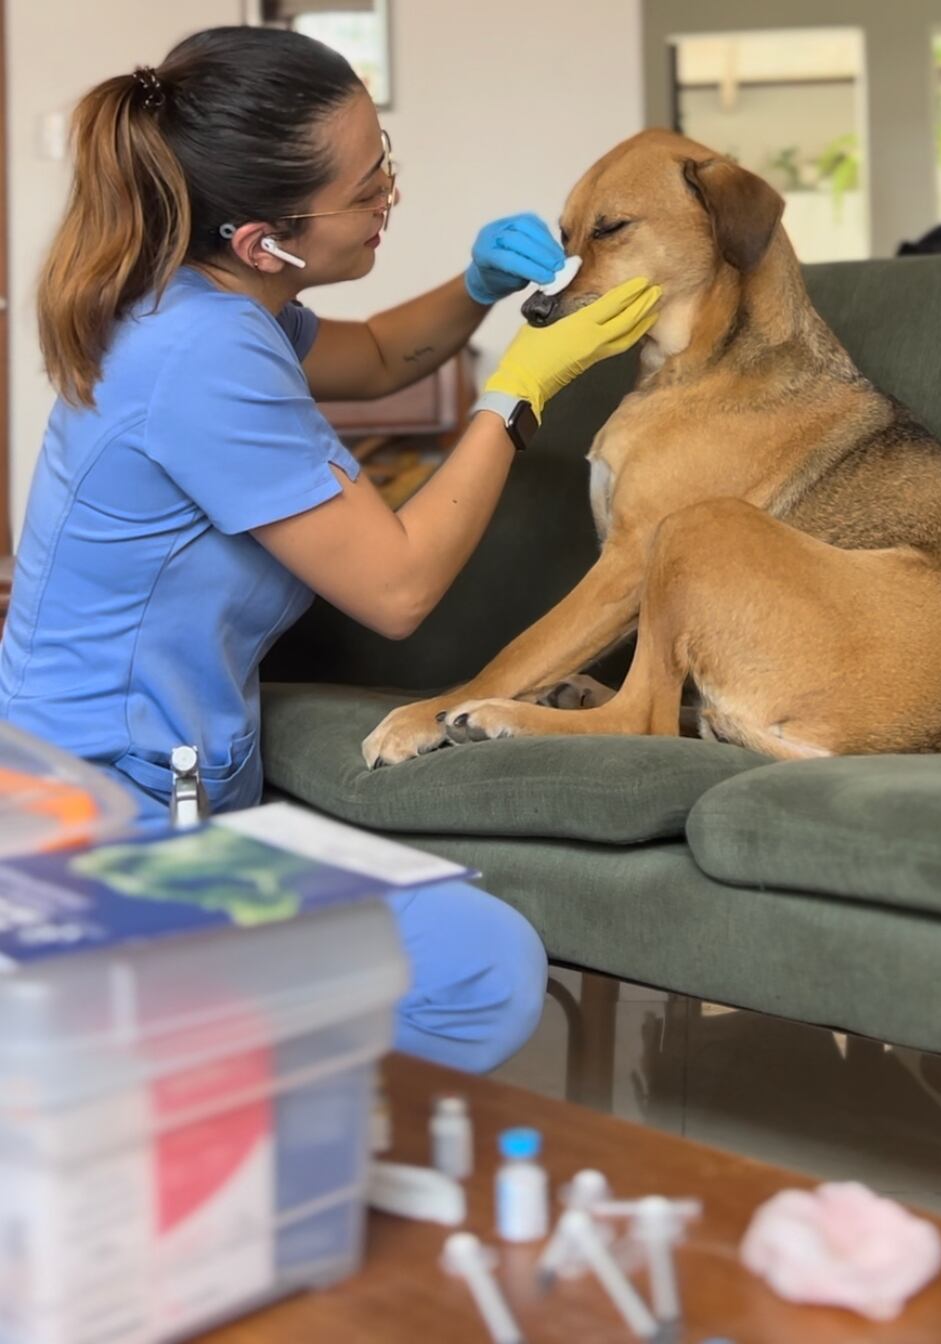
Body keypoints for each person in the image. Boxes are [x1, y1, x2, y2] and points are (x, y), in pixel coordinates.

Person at [0, 27, 659, 1071]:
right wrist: (518, 394)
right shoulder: (202, 352)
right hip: (95, 815)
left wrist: (479, 283)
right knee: (478, 968)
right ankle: (179, 1100)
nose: (388, 193)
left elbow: (385, 354)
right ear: (266, 239)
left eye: (383, 156)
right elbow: (398, 587)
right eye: (365, 190)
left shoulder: (215, 300)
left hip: (132, 777)